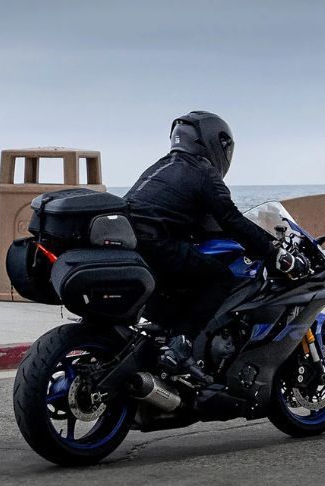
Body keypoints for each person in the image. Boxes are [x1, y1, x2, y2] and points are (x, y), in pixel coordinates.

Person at [123, 111, 300, 380]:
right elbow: (231, 220)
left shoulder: (161, 166)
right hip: (156, 243)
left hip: (131, 242)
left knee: (184, 278)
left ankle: (163, 338)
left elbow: (182, 211)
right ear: (216, 143)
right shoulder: (202, 170)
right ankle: (181, 346)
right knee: (220, 277)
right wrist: (274, 252)